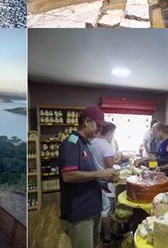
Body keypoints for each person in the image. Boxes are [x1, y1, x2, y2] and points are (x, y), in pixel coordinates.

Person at [58, 106, 117, 248]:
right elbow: (68, 175)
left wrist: (105, 177)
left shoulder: (87, 144)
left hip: (92, 207)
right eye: (98, 125)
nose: (100, 130)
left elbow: (88, 173)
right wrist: (101, 173)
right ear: (87, 121)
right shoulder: (71, 143)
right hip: (80, 212)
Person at [91, 122, 123, 245]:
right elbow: (111, 167)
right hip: (106, 183)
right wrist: (118, 158)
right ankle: (108, 237)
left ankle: (100, 233)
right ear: (109, 133)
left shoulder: (93, 142)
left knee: (101, 209)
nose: (113, 137)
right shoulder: (105, 145)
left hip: (96, 181)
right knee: (107, 211)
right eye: (113, 134)